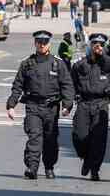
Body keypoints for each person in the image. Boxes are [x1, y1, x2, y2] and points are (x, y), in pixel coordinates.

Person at [6, 30, 74, 180]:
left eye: (44, 43)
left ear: (49, 44)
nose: (42, 45)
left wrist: (67, 105)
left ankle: (49, 166)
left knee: (50, 139)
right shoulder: (27, 64)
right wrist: (11, 105)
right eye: (39, 42)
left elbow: (67, 85)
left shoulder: (58, 63)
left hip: (51, 108)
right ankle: (32, 167)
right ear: (35, 43)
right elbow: (17, 86)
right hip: (33, 107)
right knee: (34, 137)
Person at [71, 33, 110, 181]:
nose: (98, 46)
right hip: (84, 103)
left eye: (101, 44)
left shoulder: (108, 64)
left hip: (101, 104)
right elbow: (72, 84)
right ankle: (86, 157)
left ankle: (94, 168)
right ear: (90, 45)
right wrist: (69, 103)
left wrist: (102, 55)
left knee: (99, 140)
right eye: (95, 43)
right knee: (79, 136)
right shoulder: (80, 65)